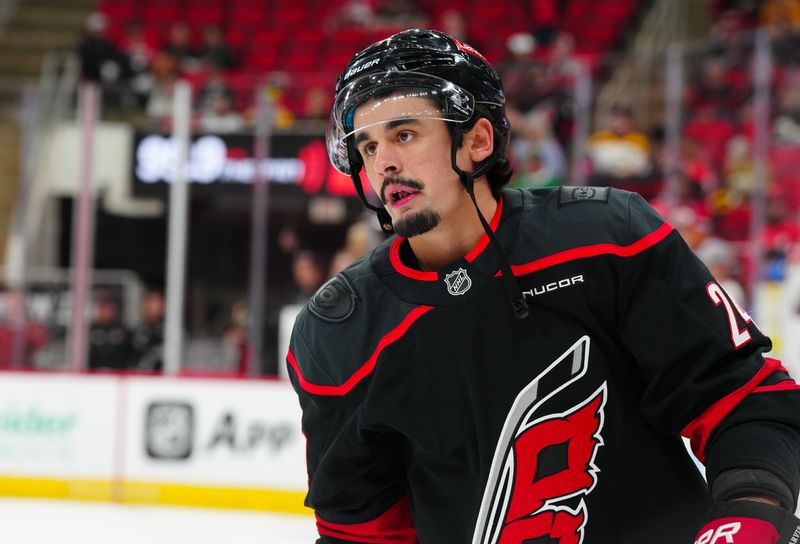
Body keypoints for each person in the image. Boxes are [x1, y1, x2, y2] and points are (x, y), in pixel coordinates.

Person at [287, 29, 800, 543]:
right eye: (368, 145)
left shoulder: (606, 240)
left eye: (404, 134)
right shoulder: (339, 333)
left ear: (477, 141)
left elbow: (743, 399)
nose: (383, 163)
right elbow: (360, 531)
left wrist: (750, 512)